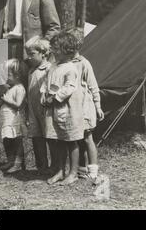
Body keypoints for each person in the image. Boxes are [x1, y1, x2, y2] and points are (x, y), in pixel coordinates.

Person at [41, 31, 84, 185]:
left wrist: (56, 97)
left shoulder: (71, 69)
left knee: (71, 140)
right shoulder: (52, 67)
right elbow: (46, 84)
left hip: (67, 109)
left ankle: (73, 173)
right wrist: (44, 96)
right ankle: (60, 171)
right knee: (57, 140)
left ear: (66, 50)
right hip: (53, 109)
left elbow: (69, 87)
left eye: (56, 49)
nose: (52, 51)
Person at [66, 28, 104, 181]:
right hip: (73, 108)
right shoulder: (65, 63)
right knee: (77, 137)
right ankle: (81, 168)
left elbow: (93, 86)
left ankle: (93, 169)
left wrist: (98, 106)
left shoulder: (84, 63)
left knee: (88, 138)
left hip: (84, 107)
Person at [25, 36, 56, 173]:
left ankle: (55, 166)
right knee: (36, 137)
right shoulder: (31, 70)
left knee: (49, 136)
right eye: (28, 54)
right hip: (33, 109)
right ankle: (41, 166)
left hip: (45, 109)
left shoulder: (49, 69)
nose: (29, 57)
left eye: (32, 54)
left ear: (43, 54)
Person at [0, 58, 27, 174]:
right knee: (7, 140)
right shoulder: (11, 88)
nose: (6, 77)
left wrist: (6, 100)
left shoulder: (19, 88)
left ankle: (18, 163)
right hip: (7, 120)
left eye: (8, 75)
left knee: (16, 141)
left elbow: (18, 105)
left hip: (14, 120)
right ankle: (10, 160)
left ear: (17, 75)